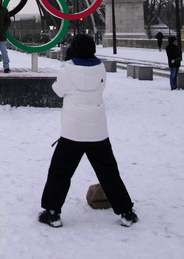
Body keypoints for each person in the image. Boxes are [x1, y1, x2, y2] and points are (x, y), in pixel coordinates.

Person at [38, 34, 137, 228]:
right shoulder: (100, 68)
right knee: (109, 173)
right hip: (97, 130)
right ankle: (126, 211)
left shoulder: (67, 69)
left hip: (73, 131)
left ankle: (52, 212)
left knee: (60, 173)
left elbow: (58, 91)